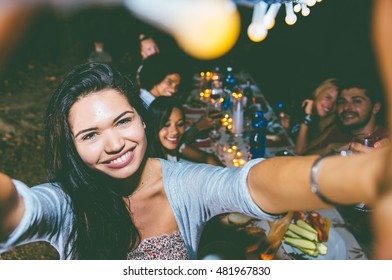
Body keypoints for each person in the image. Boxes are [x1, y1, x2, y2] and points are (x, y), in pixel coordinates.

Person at [0, 62, 388, 260]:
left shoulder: (181, 184)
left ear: (141, 118)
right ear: (71, 146)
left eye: (123, 121)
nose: (115, 143)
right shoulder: (67, 203)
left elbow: (248, 183)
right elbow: (19, 208)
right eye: (90, 135)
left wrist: (350, 174)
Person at [306, 79, 388, 155]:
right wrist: (331, 148)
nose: (346, 107)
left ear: (375, 108)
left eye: (356, 101)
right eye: (342, 101)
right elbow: (305, 154)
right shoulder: (337, 131)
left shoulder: (385, 138)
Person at [147, 96, 224, 166]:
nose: (175, 131)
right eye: (166, 125)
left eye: (180, 124)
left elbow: (208, 157)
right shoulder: (151, 163)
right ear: (153, 126)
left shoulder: (173, 146)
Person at [293, 78, 349, 155]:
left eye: (336, 102)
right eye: (328, 97)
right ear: (318, 93)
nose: (330, 105)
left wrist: (307, 117)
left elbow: (299, 151)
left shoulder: (334, 125)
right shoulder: (300, 113)